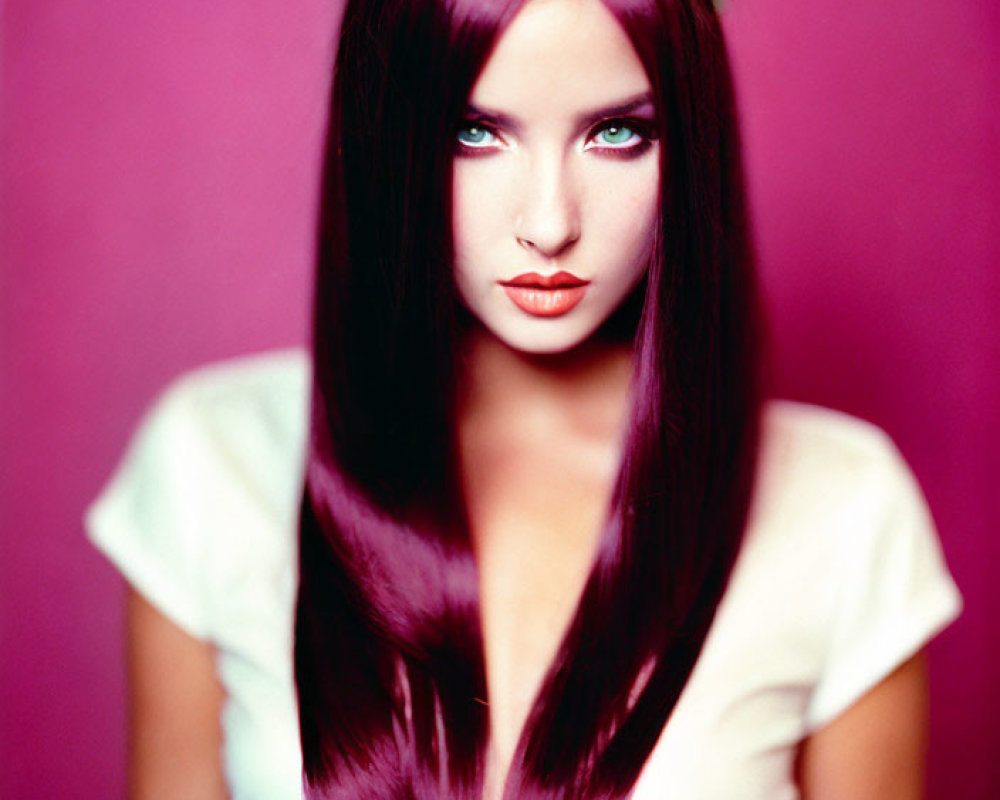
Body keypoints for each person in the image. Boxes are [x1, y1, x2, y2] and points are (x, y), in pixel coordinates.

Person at [85, 0, 961, 798]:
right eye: (473, 132)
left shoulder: (843, 507)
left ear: (691, 141)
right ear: (386, 132)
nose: (549, 223)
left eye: (617, 133)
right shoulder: (212, 462)